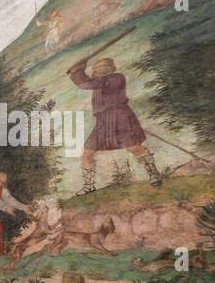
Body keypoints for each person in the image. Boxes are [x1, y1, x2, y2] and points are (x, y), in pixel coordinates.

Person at [67, 55, 160, 191]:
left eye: (98, 69)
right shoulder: (99, 82)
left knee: (134, 147)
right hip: (103, 121)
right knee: (87, 152)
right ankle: (88, 186)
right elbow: (87, 83)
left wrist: (78, 71)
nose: (95, 72)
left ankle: (154, 175)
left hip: (120, 117)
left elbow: (86, 84)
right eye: (94, 69)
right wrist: (79, 70)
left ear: (109, 69)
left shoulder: (116, 78)